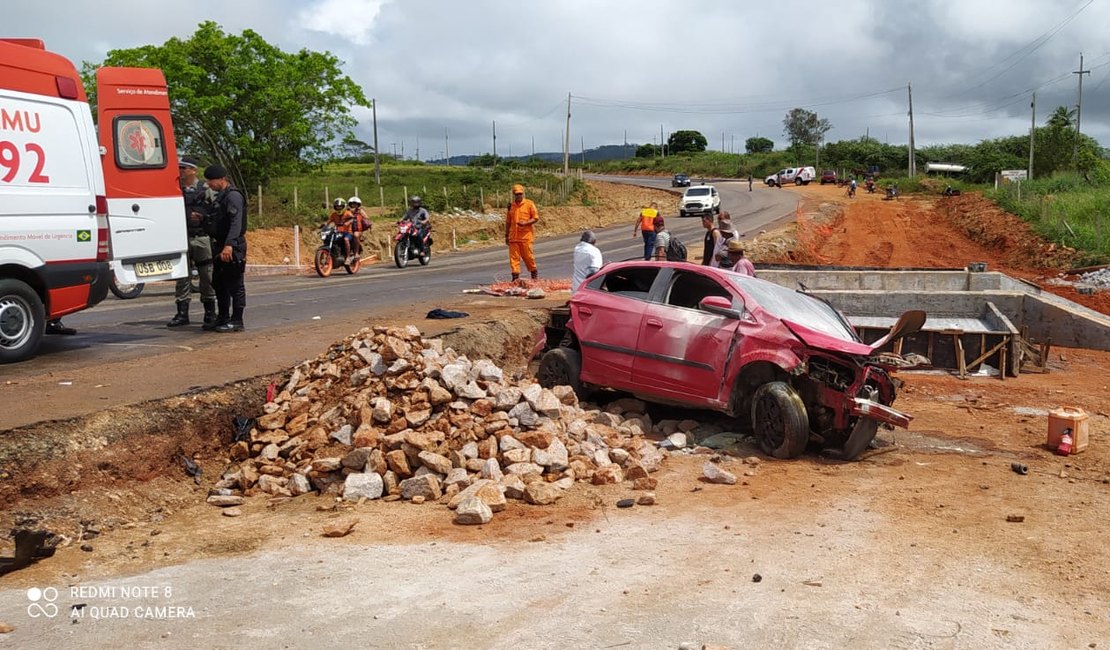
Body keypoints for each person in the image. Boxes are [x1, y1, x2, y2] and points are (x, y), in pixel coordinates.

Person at [167, 155, 217, 328]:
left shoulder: (206, 188)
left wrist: (205, 218)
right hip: (182, 237)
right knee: (182, 276)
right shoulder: (175, 188)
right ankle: (182, 313)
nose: (180, 171)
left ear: (193, 170)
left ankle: (210, 313)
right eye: (179, 168)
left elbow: (217, 211)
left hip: (202, 237)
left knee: (207, 275)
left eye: (184, 168)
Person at [201, 165, 247, 333]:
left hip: (232, 246)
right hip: (220, 244)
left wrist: (229, 244)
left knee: (235, 284)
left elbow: (236, 223)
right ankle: (223, 317)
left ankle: (237, 320)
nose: (209, 184)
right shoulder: (221, 197)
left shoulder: (233, 196)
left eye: (211, 181)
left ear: (221, 179)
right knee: (219, 283)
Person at [505, 183, 539, 281]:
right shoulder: (511, 206)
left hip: (525, 237)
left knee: (528, 257)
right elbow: (508, 222)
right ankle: (515, 278)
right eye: (517, 194)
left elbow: (536, 218)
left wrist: (526, 223)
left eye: (520, 194)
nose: (518, 196)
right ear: (514, 195)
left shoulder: (529, 204)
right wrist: (506, 235)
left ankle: (534, 274)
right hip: (513, 237)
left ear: (523, 194)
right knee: (514, 259)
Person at [346, 196, 372, 262]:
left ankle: (356, 253)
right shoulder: (346, 211)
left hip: (357, 230)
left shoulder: (360, 211)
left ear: (358, 205)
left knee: (356, 235)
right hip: (347, 230)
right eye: (352, 203)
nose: (354, 205)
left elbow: (367, 218)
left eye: (355, 204)